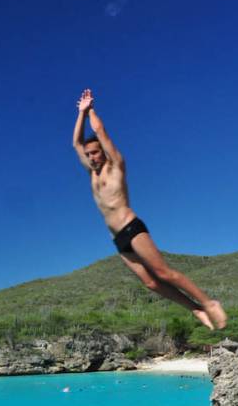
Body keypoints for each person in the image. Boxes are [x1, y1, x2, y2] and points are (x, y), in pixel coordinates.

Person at [72, 88, 227, 330]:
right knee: (151, 284)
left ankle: (209, 303)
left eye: (95, 152)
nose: (91, 156)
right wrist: (79, 115)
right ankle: (195, 309)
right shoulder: (92, 174)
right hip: (118, 240)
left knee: (163, 274)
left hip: (130, 227)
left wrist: (90, 110)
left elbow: (101, 132)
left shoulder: (116, 167)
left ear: (103, 152)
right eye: (88, 154)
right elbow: (75, 143)